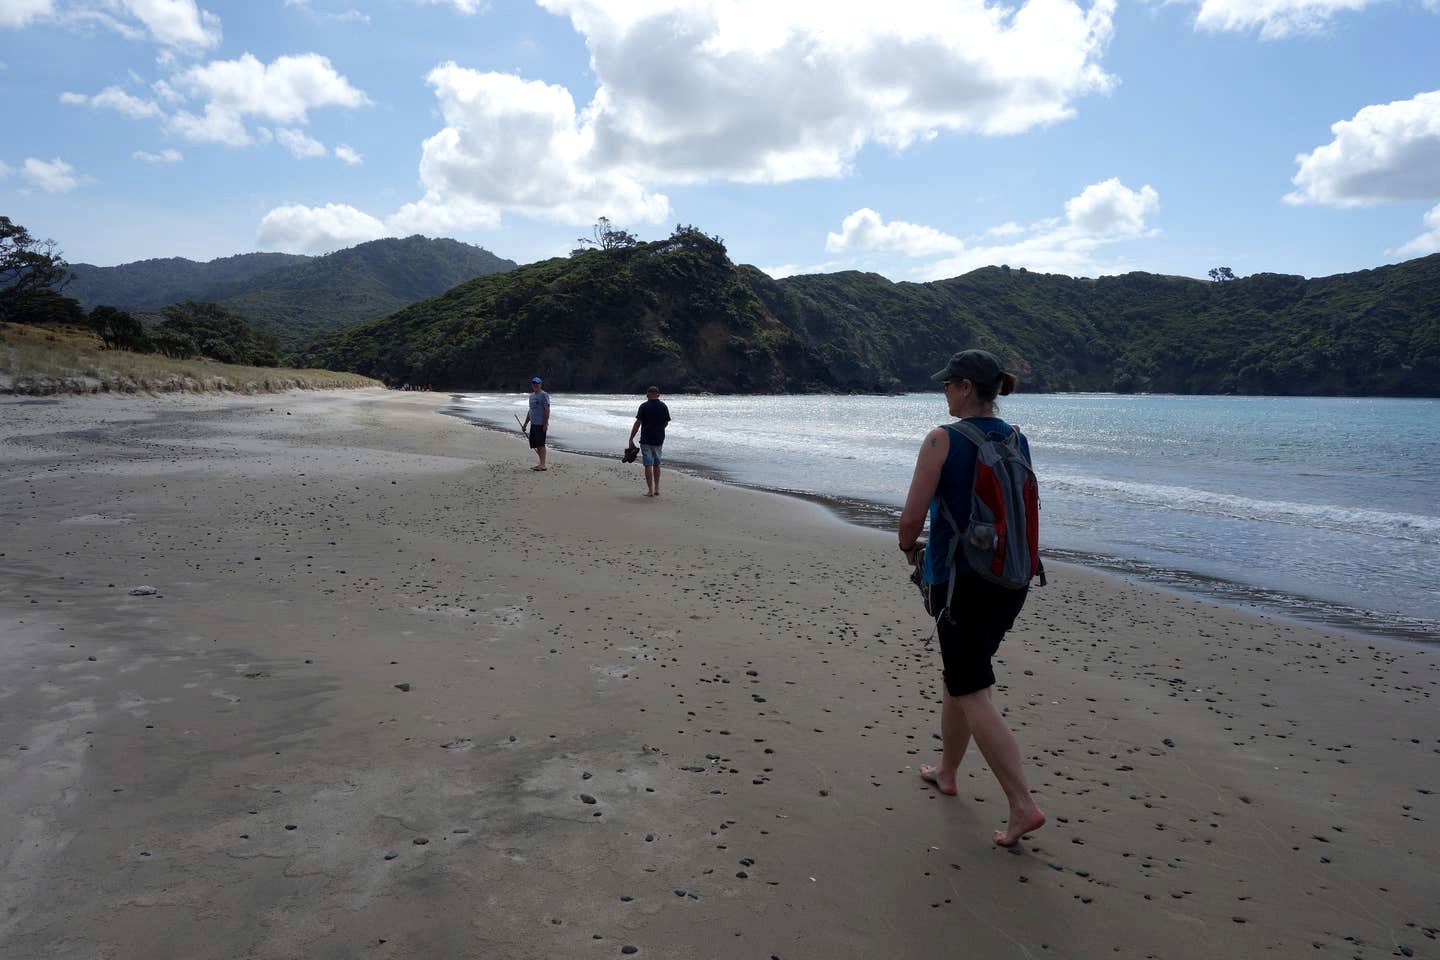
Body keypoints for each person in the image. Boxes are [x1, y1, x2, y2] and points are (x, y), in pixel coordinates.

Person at [897, 348, 1046, 848]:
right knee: (961, 677)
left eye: (948, 385)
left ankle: (1023, 804)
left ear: (965, 388)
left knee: (971, 688)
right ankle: (947, 770)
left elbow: (912, 518)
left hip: (961, 580)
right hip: (1013, 578)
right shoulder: (1017, 438)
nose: (944, 392)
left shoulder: (943, 439)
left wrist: (905, 546)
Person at [628, 385, 671, 497]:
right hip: (659, 439)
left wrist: (631, 438)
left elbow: (638, 423)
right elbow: (666, 423)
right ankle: (657, 488)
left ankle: (650, 490)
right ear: (658, 394)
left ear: (647, 395)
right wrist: (659, 430)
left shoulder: (643, 406)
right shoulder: (663, 406)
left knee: (648, 464)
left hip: (646, 439)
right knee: (657, 463)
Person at [521, 376, 550, 471]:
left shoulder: (544, 395)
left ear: (540, 385)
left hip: (541, 423)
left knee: (541, 444)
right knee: (536, 444)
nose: (535, 385)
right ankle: (541, 463)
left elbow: (547, 410)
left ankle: (543, 465)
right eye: (534, 383)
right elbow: (530, 411)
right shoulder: (531, 396)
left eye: (537, 383)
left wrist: (545, 423)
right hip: (533, 424)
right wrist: (525, 424)